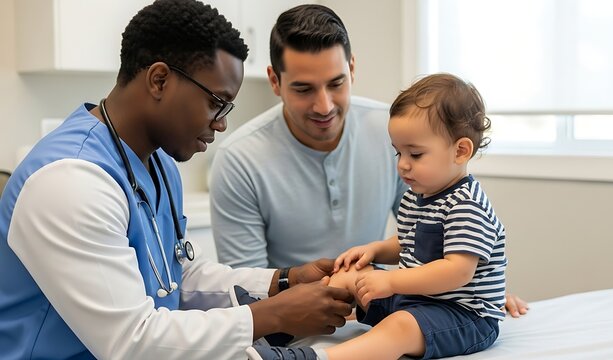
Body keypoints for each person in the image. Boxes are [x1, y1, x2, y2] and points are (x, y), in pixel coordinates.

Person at [0, 1, 352, 359]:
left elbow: (174, 277)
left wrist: (282, 282)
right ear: (159, 80)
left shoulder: (159, 164)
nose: (221, 123)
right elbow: (132, 341)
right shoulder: (70, 181)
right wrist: (276, 314)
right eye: (217, 102)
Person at [209, 4, 529, 317]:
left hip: (376, 298)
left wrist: (477, 293)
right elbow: (247, 293)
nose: (324, 106)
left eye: (336, 84)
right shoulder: (238, 161)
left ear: (352, 68)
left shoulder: (394, 134)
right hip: (291, 316)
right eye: (304, 89)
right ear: (274, 81)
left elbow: (432, 233)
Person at [247, 73, 507, 360]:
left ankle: (316, 358)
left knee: (401, 327)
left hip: (464, 316)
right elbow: (410, 242)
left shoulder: (467, 204)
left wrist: (392, 282)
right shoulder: (419, 195)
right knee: (348, 276)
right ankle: (278, 328)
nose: (403, 165)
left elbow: (457, 271)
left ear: (460, 151)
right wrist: (375, 250)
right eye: (398, 153)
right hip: (417, 299)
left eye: (416, 155)